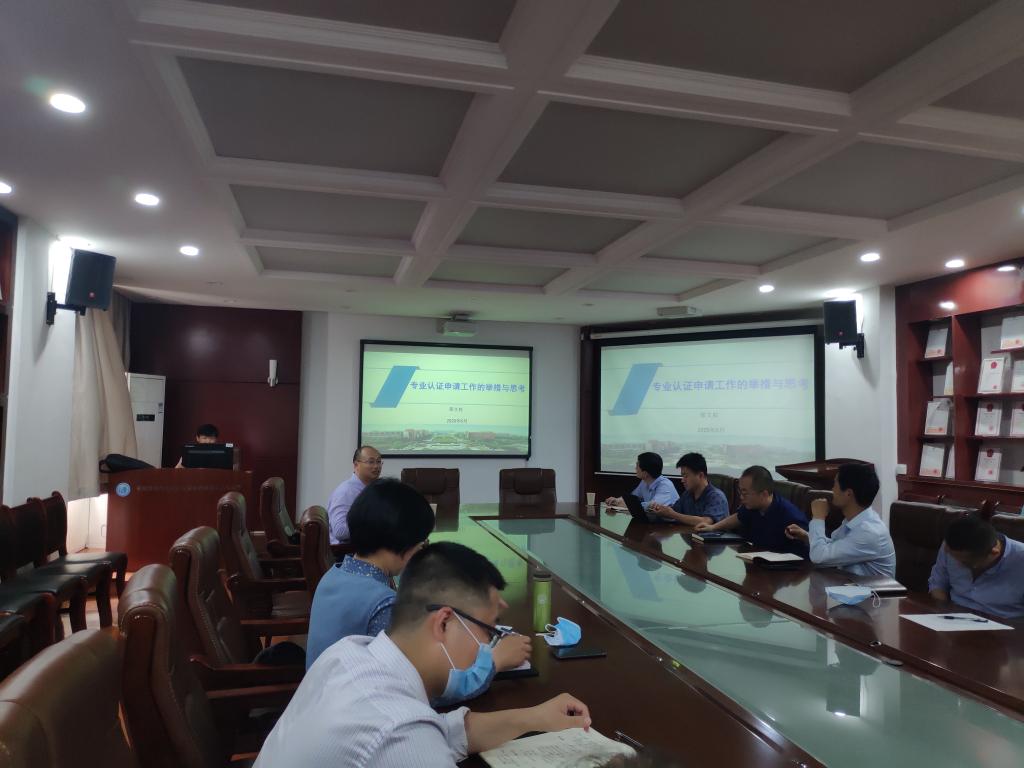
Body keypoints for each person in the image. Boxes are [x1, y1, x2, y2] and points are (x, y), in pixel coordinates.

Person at [253, 542, 591, 767]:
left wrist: (534, 717)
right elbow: (412, 737)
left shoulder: (348, 653)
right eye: (489, 631)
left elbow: (441, 730)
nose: (489, 645)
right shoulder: (401, 735)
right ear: (443, 623)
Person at [307, 479, 532, 688]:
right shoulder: (383, 604)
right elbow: (418, 688)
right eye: (421, 543)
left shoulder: (334, 575)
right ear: (403, 543)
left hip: (319, 698)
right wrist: (494, 662)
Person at [783, 464, 895, 577]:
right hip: (850, 584)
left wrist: (818, 517)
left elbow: (819, 557)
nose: (832, 490)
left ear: (848, 493)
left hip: (871, 588)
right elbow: (836, 549)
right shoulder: (856, 519)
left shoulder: (869, 532)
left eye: (835, 485)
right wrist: (807, 536)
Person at [694, 465, 808, 556]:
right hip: (756, 561)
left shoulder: (790, 516)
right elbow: (738, 517)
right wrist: (713, 527)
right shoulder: (751, 507)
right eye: (740, 492)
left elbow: (807, 552)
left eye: (745, 493)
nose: (741, 497)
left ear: (764, 494)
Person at [928, 515, 1024, 619]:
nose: (958, 564)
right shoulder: (951, 545)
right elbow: (938, 583)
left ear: (994, 552)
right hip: (953, 615)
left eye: (966, 563)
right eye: (953, 558)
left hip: (1001, 623)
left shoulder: (1020, 560)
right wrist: (943, 612)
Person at [647, 453, 730, 525]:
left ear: (700, 475)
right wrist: (660, 511)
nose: (682, 480)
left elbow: (706, 522)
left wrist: (672, 514)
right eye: (682, 476)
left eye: (686, 476)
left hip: (713, 539)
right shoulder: (687, 494)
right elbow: (673, 512)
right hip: (690, 536)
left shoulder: (716, 496)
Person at [327, 445, 382, 544]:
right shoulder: (346, 492)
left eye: (378, 461)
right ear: (356, 465)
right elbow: (340, 531)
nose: (376, 466)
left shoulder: (374, 489)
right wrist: (376, 524)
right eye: (371, 462)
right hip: (347, 550)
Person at [604, 452, 679, 511]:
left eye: (637, 466)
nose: (635, 468)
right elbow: (633, 498)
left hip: (670, 525)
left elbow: (652, 507)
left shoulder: (665, 486)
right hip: (653, 521)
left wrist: (627, 505)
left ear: (645, 473)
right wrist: (617, 500)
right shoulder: (644, 482)